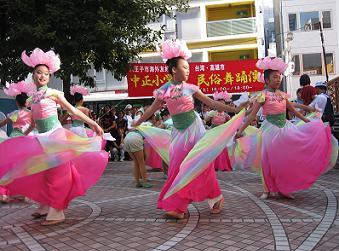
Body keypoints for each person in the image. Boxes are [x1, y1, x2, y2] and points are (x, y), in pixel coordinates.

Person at [133, 40, 246, 219]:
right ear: (174, 70)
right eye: (185, 67)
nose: (188, 70)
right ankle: (182, 204)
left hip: (195, 130)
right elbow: (152, 109)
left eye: (188, 67)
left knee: (201, 165)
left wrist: (235, 109)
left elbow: (213, 103)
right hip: (179, 132)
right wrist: (137, 122)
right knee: (178, 167)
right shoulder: (164, 90)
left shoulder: (191, 88)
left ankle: (206, 201)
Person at [0, 48, 108, 226]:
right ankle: (44, 205)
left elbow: (72, 110)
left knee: (57, 173)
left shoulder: (54, 93)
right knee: (41, 172)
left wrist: (94, 124)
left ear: (49, 77)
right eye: (38, 73)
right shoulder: (31, 99)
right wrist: (22, 138)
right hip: (41, 138)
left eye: (46, 73)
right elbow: (35, 122)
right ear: (33, 75)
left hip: (56, 137)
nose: (42, 76)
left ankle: (57, 210)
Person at [234, 57, 337, 199]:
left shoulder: (282, 95)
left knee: (285, 159)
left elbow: (293, 111)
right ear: (267, 80)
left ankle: (284, 188)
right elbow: (252, 115)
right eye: (274, 77)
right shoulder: (262, 95)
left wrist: (308, 121)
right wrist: (240, 130)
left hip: (285, 129)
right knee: (267, 161)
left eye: (279, 77)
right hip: (269, 131)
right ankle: (266, 189)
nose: (278, 80)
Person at [0, 81, 35, 203]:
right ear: (26, 102)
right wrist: (26, 133)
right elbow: (34, 125)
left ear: (16, 102)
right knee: (27, 166)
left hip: (14, 140)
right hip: (28, 140)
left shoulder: (14, 114)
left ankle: (4, 194)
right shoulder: (31, 113)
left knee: (9, 167)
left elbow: (1, 124)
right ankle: (26, 193)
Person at [206, 91, 232, 171]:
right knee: (213, 148)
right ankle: (213, 165)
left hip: (221, 133)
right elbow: (206, 121)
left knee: (222, 148)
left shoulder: (226, 115)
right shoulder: (212, 113)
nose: (222, 105)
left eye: (223, 104)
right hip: (213, 132)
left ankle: (223, 165)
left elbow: (230, 122)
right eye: (220, 104)